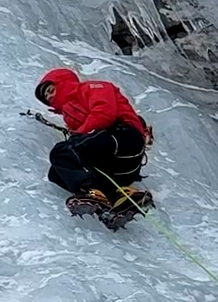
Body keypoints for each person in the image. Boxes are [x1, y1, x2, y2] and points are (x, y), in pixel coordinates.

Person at [35, 68, 154, 229]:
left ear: (62, 83)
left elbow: (104, 113)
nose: (49, 97)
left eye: (50, 90)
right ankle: (119, 196)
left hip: (123, 138)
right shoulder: (69, 115)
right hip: (118, 166)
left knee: (61, 152)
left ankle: (90, 192)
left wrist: (77, 135)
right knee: (56, 173)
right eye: (47, 98)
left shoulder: (92, 88)